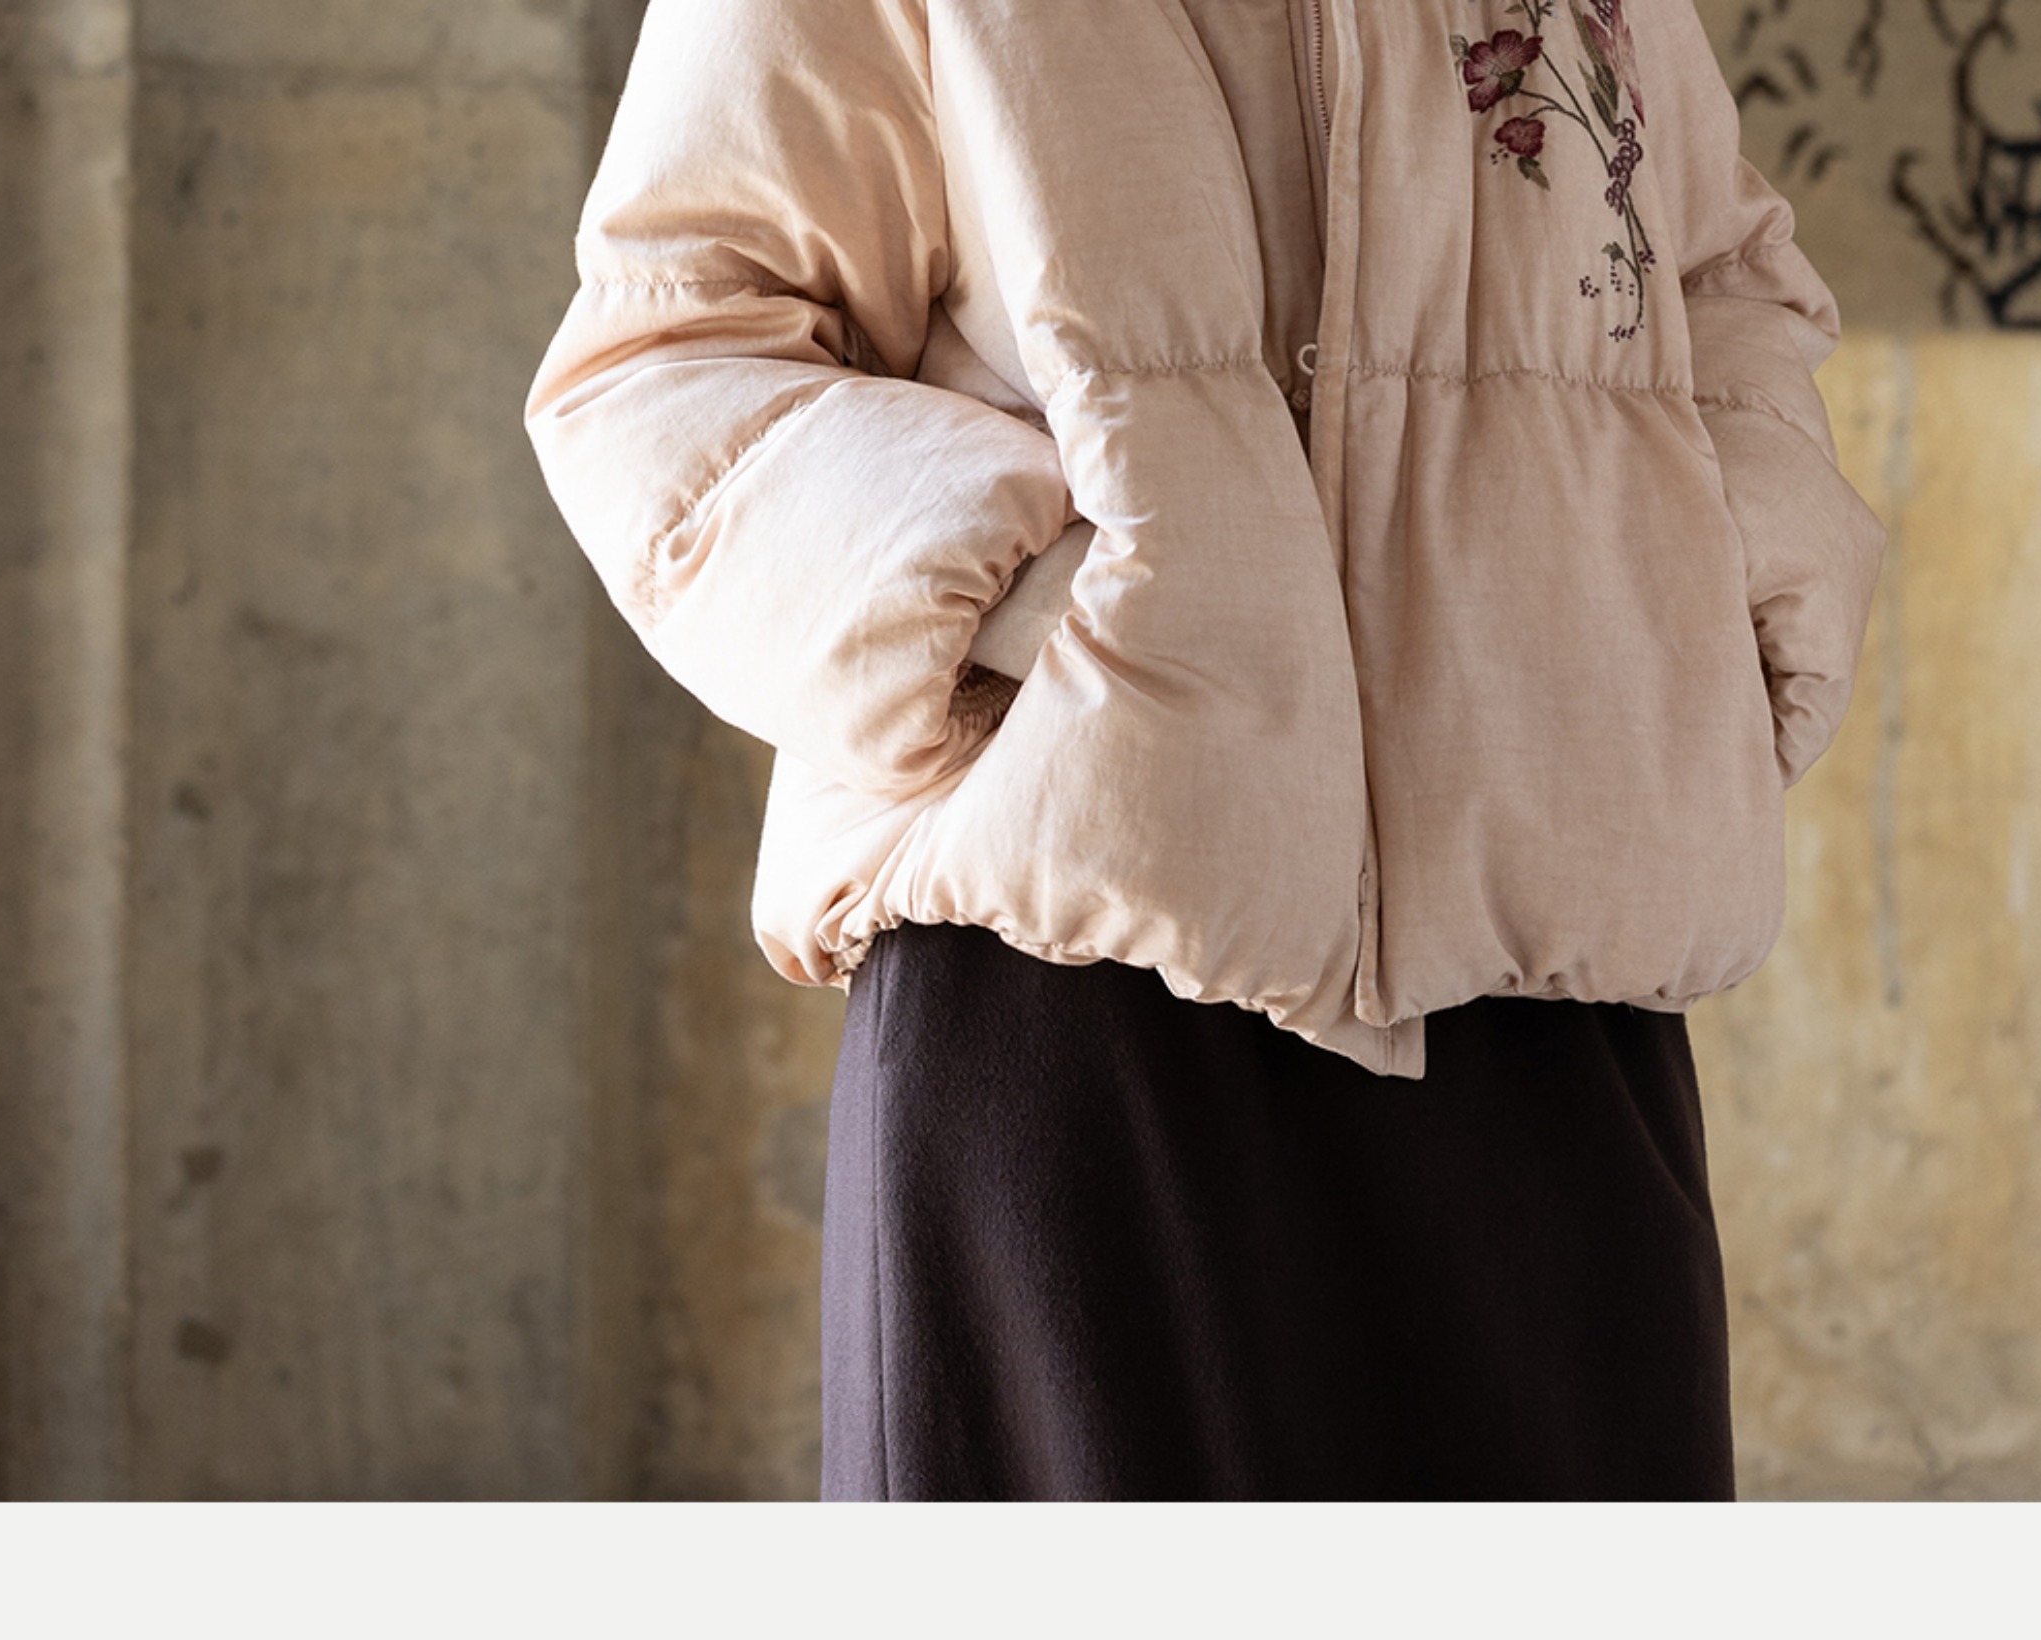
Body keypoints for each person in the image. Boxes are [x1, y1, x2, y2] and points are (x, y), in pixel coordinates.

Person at [525, 0, 1887, 1499]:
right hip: (1087, 999)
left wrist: (1718, 613)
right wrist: (1069, 604)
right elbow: (668, 356)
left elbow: (1716, 272)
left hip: (1560, 994)